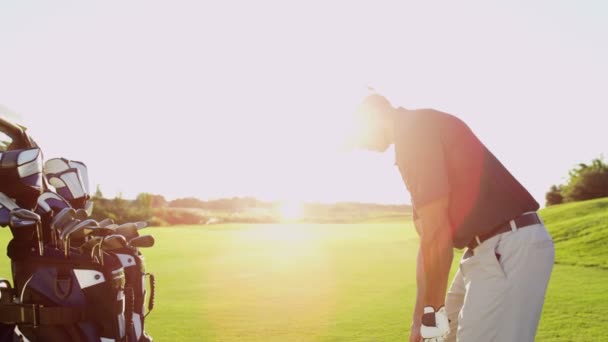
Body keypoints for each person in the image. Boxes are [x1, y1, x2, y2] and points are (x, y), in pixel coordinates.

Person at [352, 93, 555, 342]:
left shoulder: (415, 132)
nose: (359, 145)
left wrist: (430, 318)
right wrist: (420, 318)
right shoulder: (412, 137)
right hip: (487, 249)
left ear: (373, 116)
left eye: (357, 137)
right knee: (441, 338)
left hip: (507, 245)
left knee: (441, 332)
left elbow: (437, 236)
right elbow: (429, 239)